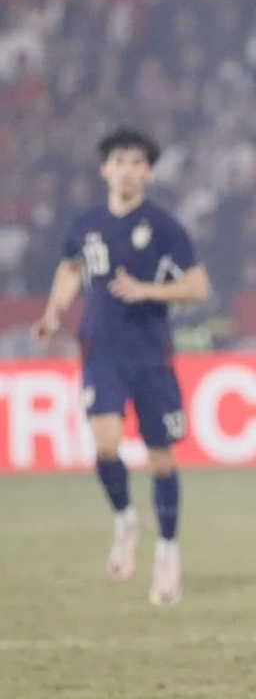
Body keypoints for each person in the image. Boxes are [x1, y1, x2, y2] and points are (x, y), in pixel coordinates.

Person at [32, 127, 211, 606]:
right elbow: (71, 268)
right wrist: (53, 313)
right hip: (101, 349)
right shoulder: (86, 225)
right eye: (119, 161)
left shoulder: (166, 227)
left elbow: (197, 286)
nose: (127, 170)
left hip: (151, 353)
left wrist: (147, 290)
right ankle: (127, 519)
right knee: (106, 443)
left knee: (160, 459)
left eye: (136, 163)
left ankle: (168, 551)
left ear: (149, 173)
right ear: (104, 170)